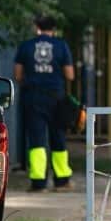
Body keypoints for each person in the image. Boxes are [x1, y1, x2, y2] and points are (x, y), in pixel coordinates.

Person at [13, 15, 75, 191]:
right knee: (58, 138)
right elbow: (70, 75)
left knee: (36, 139)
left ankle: (38, 183)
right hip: (56, 98)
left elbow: (17, 75)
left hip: (33, 97)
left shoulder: (26, 46)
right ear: (53, 28)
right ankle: (62, 181)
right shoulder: (61, 46)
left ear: (36, 27)